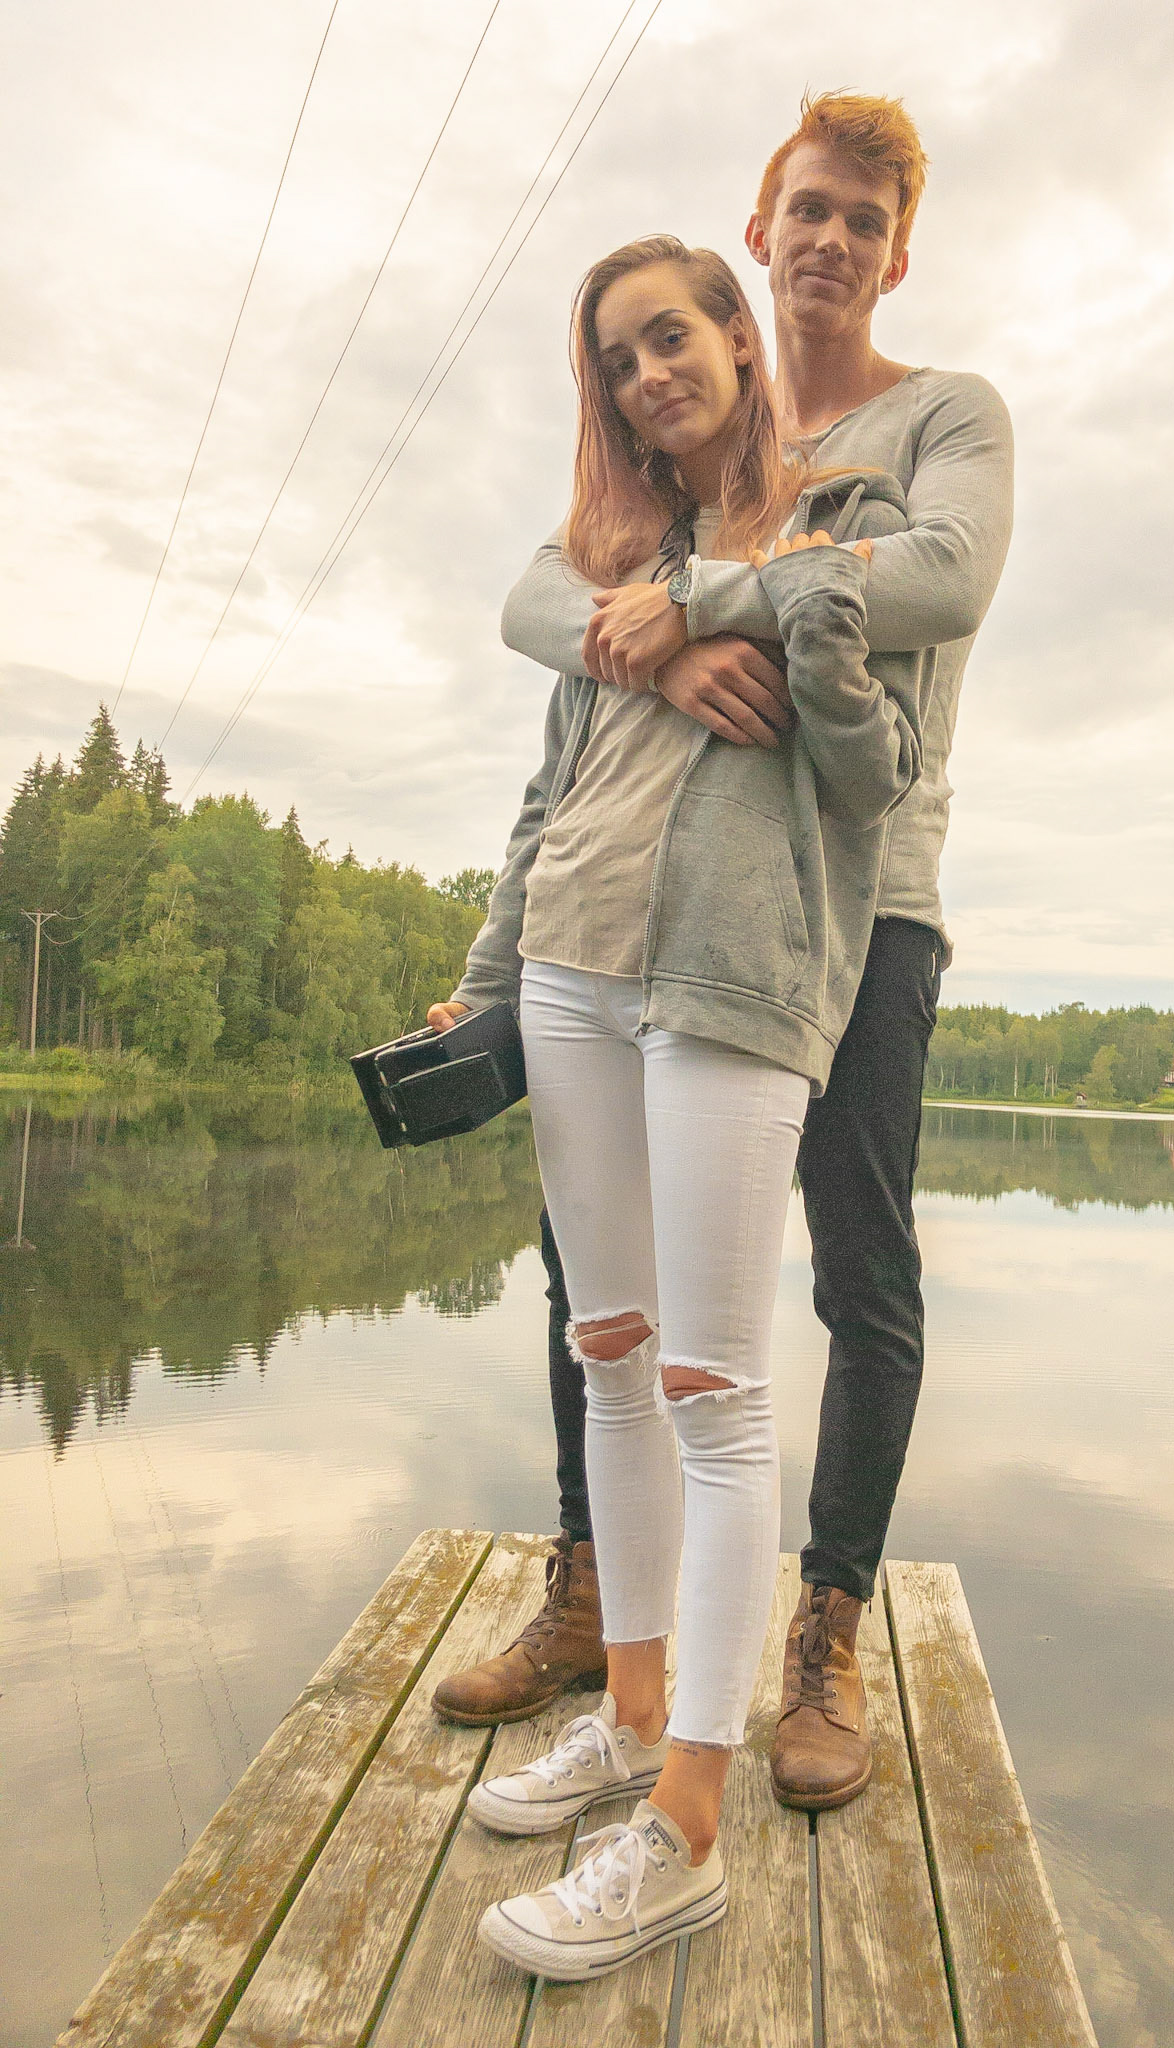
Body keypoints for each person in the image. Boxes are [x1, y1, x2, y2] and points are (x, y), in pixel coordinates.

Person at [433, 90, 1014, 1814]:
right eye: (808, 210)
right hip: (633, 919)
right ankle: (606, 1604)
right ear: (761, 233)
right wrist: (645, 641)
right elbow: (549, 604)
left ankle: (821, 1629)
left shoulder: (936, 420)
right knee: (604, 1302)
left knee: (853, 1269)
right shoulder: (664, 473)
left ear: (893, 253)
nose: (832, 240)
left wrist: (708, 608)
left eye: (865, 220)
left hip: (858, 893)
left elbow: (939, 581)